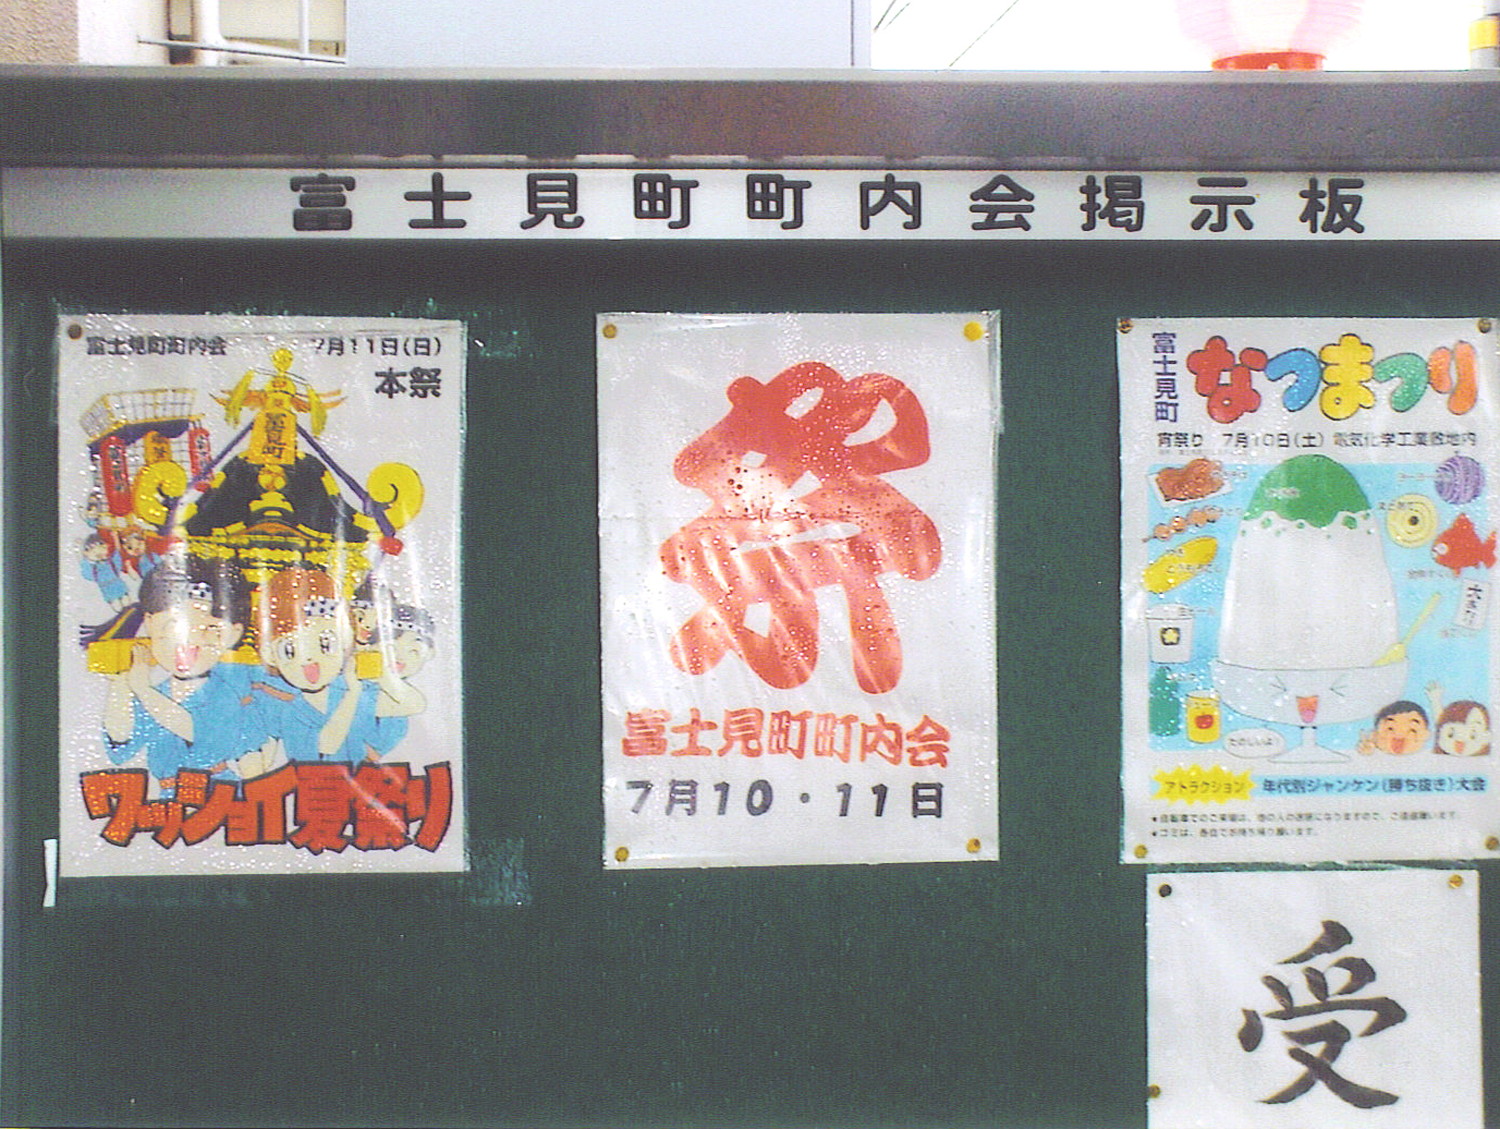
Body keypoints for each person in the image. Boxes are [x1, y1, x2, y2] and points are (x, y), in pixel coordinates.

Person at [102, 557, 266, 793]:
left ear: (233, 634)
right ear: (149, 623)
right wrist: (121, 685)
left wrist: (144, 691)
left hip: (218, 792)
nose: (191, 641)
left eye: (211, 630)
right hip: (167, 798)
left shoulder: (225, 693)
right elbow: (121, 739)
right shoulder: (158, 691)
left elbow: (203, 736)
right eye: (173, 626)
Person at [253, 566, 398, 765]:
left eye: (326, 644)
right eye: (290, 650)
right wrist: (352, 694)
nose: (309, 659)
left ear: (345, 640)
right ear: (269, 654)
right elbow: (325, 746)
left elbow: (411, 707)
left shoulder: (362, 690)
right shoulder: (281, 707)